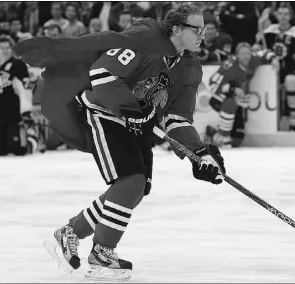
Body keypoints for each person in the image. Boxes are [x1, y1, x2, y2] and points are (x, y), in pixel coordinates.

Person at [14, 4, 226, 281]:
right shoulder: (146, 39)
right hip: (105, 112)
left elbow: (177, 118)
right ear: (176, 29)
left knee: (135, 190)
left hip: (137, 122)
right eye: (197, 29)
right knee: (130, 180)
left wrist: (200, 154)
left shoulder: (189, 67)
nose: (203, 35)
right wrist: (131, 110)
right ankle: (102, 254)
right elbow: (103, 73)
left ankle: (69, 233)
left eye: (204, 30)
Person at [0, 35, 37, 156]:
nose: (4, 50)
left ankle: (32, 141)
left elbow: (25, 90)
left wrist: (26, 111)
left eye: (7, 47)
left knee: (16, 147)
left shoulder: (19, 66)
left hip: (13, 113)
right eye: (2, 47)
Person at [261, 3, 295, 131]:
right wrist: (271, 57)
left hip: (292, 72)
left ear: (291, 16)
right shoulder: (269, 31)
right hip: (273, 72)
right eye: (280, 13)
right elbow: (259, 49)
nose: (283, 17)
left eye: (286, 14)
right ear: (275, 15)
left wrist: (283, 61)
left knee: (291, 80)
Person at [205, 42, 261, 147]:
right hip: (221, 98)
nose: (246, 56)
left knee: (237, 141)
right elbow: (212, 82)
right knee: (231, 102)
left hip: (239, 101)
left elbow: (266, 53)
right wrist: (232, 89)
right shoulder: (230, 65)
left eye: (248, 53)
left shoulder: (254, 60)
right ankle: (222, 135)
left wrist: (273, 59)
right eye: (243, 54)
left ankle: (213, 134)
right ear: (237, 55)